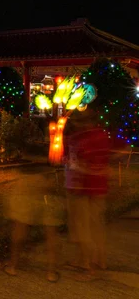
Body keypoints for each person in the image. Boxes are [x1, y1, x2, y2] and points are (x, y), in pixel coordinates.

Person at [64, 108, 110, 280]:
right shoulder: (102, 136)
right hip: (99, 188)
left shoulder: (79, 139)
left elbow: (77, 164)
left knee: (82, 229)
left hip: (82, 189)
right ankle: (99, 261)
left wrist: (76, 180)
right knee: (97, 226)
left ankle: (87, 267)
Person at [3, 168, 64, 282]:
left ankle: (12, 265)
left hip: (29, 178)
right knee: (51, 229)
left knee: (21, 224)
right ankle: (51, 272)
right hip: (50, 176)